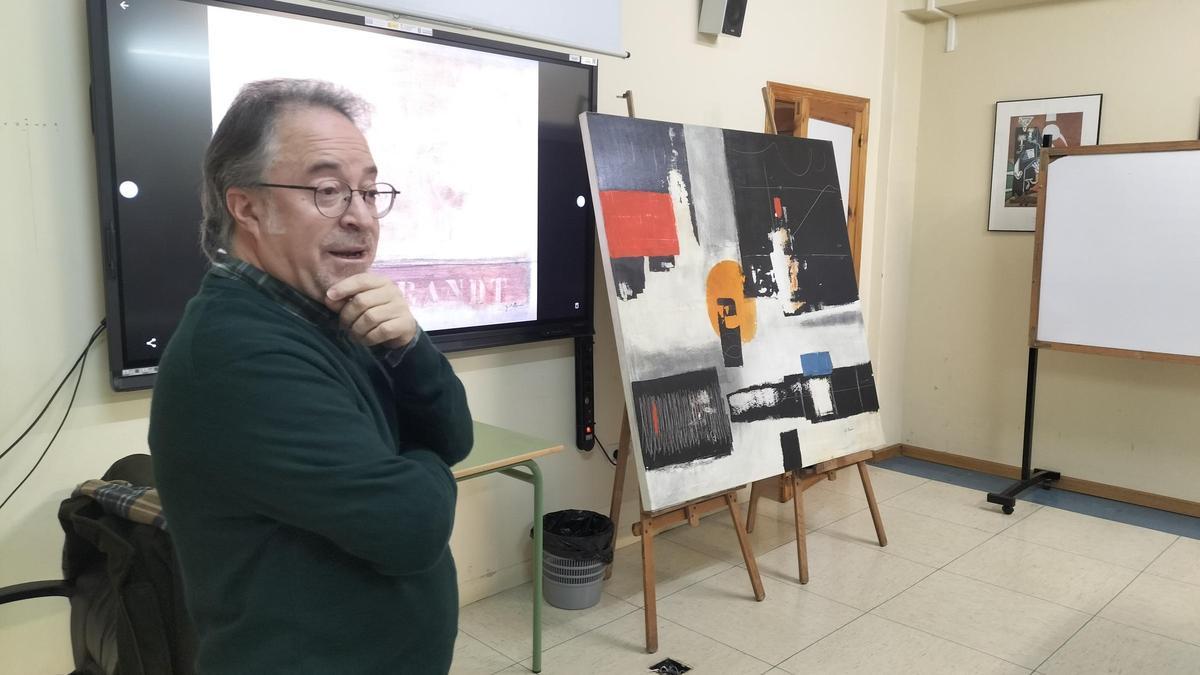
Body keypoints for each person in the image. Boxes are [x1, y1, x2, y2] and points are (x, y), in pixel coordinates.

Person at [148, 78, 473, 674]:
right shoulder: (238, 353)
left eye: (371, 192)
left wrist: (410, 346)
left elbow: (455, 436)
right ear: (246, 206)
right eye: (328, 191)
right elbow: (410, 526)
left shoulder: (327, 309)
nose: (362, 219)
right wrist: (424, 465)